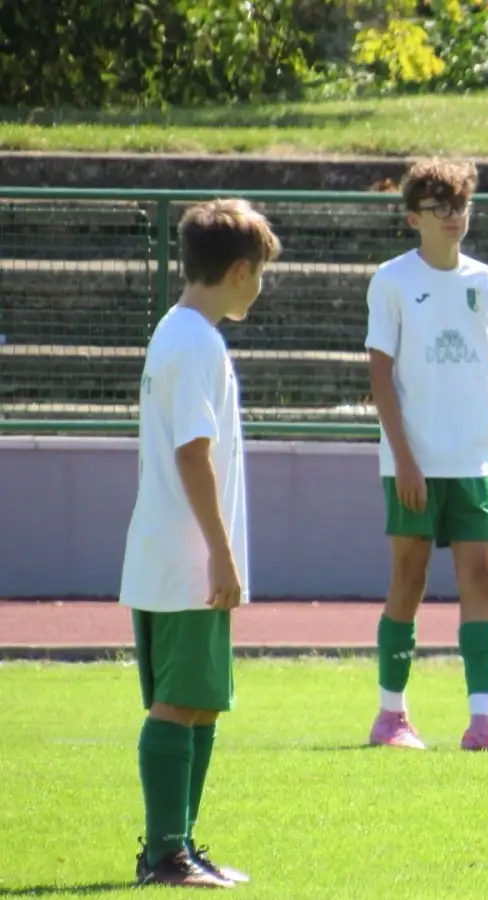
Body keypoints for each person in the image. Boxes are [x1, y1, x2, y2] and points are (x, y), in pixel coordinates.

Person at [120, 198, 282, 887]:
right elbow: (192, 452)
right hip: (186, 557)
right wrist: (219, 550)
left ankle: (179, 845)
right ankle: (164, 855)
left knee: (202, 700)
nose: (260, 287)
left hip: (174, 553)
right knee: (181, 702)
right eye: (260, 273)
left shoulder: (181, 331)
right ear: (239, 270)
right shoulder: (194, 342)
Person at [365, 158, 488, 752]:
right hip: (413, 461)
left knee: (482, 576)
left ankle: (483, 720)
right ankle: (391, 716)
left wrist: (484, 440)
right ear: (414, 218)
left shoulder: (484, 281)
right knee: (409, 578)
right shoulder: (391, 280)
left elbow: (477, 365)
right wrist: (404, 460)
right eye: (440, 207)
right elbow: (380, 376)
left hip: (470, 461)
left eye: (460, 205)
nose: (454, 216)